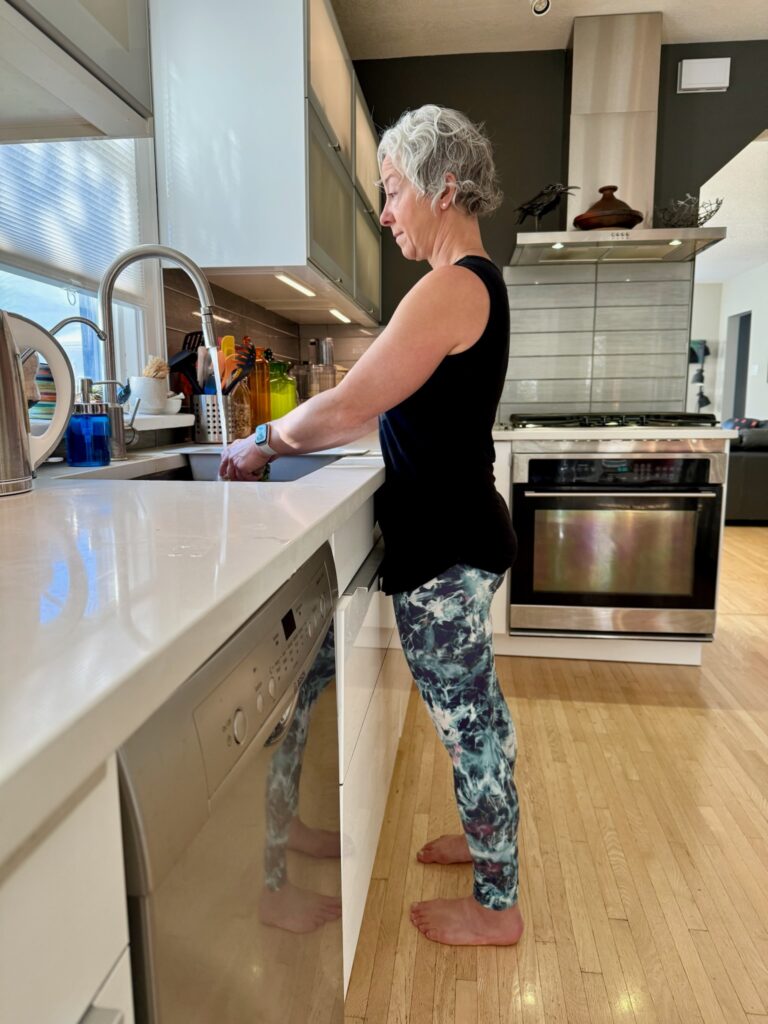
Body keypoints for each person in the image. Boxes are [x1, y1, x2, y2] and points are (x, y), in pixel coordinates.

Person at [219, 104, 522, 947]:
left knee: (470, 729)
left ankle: (500, 910)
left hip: (447, 550)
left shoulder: (452, 286)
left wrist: (262, 441)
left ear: (442, 186)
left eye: (392, 191)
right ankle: (482, 841)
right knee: (481, 722)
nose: (386, 213)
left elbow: (352, 407)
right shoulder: (473, 285)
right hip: (464, 538)